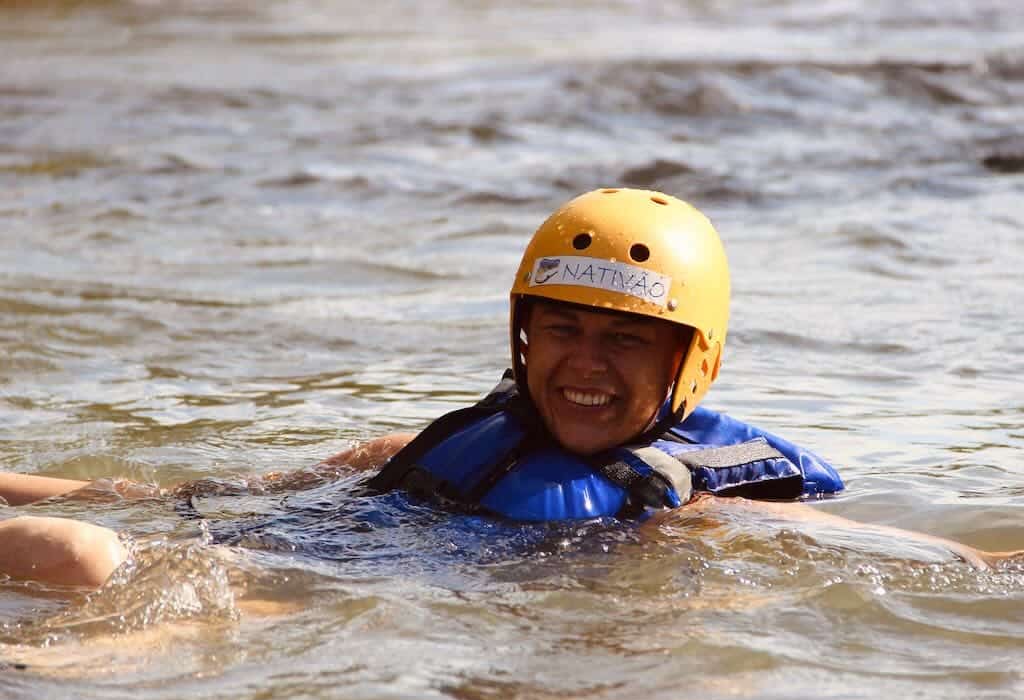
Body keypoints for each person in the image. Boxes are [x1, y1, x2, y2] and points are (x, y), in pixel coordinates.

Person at [0, 188, 1015, 587]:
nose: (583, 363)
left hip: (312, 602)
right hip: (303, 558)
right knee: (83, 537)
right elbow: (198, 499)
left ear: (689, 364)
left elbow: (878, 546)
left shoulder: (687, 505)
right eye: (562, 329)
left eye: (625, 342)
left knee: (84, 566)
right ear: (521, 337)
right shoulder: (434, 444)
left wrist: (992, 563)